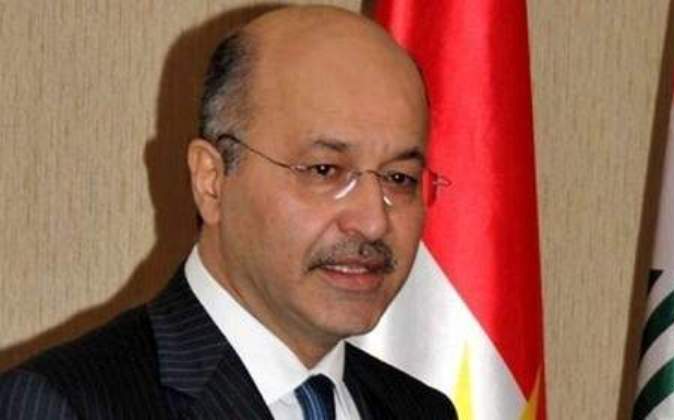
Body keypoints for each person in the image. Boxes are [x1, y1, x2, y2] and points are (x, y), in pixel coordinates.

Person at [0, 5, 456, 419]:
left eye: (400, 178)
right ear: (211, 180)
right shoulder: (66, 405)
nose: (373, 221)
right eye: (325, 170)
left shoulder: (422, 411)